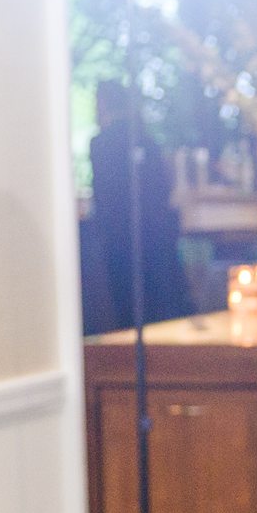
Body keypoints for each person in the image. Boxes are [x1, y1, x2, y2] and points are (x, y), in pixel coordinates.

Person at [87, 80, 193, 333]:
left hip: (119, 238)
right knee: (156, 304)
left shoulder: (102, 143)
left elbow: (103, 194)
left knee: (126, 308)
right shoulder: (147, 139)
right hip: (155, 237)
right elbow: (162, 189)